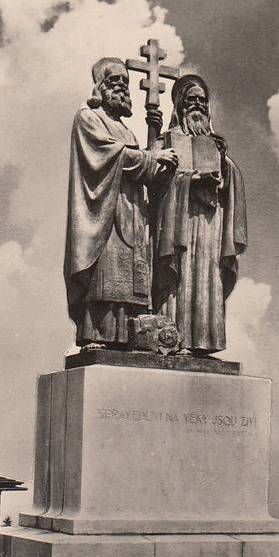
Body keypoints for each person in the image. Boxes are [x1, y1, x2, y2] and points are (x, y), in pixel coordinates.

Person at [64, 57, 177, 349]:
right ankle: (94, 335)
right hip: (103, 210)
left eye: (125, 83)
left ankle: (128, 337)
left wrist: (158, 145)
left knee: (130, 276)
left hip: (133, 212)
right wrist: (151, 157)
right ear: (100, 87)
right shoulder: (88, 118)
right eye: (115, 81)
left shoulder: (128, 131)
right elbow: (111, 155)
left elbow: (146, 170)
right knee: (105, 273)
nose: (122, 88)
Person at [150, 74, 247, 354]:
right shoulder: (168, 140)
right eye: (191, 100)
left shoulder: (215, 144)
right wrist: (190, 180)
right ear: (180, 105)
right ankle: (172, 341)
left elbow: (232, 180)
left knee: (208, 277)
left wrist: (224, 171)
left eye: (202, 100)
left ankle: (203, 342)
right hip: (178, 224)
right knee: (180, 276)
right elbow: (153, 180)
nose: (197, 105)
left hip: (211, 224)